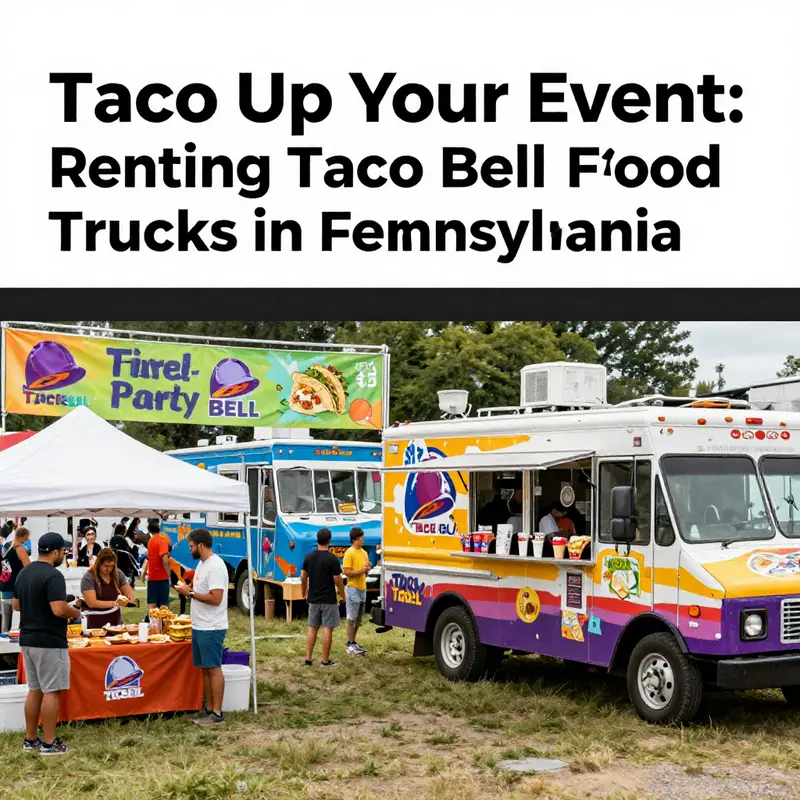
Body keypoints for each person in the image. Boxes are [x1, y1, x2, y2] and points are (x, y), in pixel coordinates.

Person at [13, 532, 81, 755]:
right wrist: (75, 612)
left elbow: (16, 605)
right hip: (50, 640)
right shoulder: (54, 575)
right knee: (52, 691)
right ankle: (50, 744)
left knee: (35, 690)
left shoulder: (24, 572)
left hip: (27, 639)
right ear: (55, 551)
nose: (63, 555)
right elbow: (59, 609)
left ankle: (30, 740)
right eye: (63, 551)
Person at [174, 529, 228, 726]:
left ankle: (217, 713)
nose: (190, 550)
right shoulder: (202, 564)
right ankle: (208, 708)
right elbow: (201, 591)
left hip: (212, 626)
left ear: (201, 545)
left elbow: (216, 598)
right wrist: (188, 589)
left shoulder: (216, 566)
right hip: (200, 625)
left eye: (191, 546)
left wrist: (189, 593)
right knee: (205, 669)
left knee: (213, 668)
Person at [301, 528, 345, 668]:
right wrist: (342, 594)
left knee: (312, 628)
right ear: (329, 541)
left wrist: (304, 592)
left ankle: (308, 658)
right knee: (327, 629)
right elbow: (338, 580)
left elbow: (303, 576)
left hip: (313, 598)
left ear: (317, 540)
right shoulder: (332, 558)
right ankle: (325, 661)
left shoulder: (309, 557)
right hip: (328, 599)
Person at [80, 548, 138, 628]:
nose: (109, 569)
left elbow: (130, 597)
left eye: (112, 566)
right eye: (106, 566)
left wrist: (128, 601)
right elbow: (92, 603)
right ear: (99, 563)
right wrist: (114, 603)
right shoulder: (88, 577)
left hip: (115, 622)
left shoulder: (118, 574)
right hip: (94, 623)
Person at [342, 527, 371, 655]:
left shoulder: (364, 553)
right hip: (352, 588)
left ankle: (353, 641)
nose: (363, 540)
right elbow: (347, 572)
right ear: (354, 540)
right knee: (351, 618)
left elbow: (365, 570)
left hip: (363, 587)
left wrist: (367, 568)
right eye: (361, 539)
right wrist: (361, 570)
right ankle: (349, 643)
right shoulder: (349, 553)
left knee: (358, 618)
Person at [1, 526, 31, 632]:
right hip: (15, 586)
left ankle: (3, 639)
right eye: (27, 537)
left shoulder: (9, 547)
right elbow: (29, 567)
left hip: (5, 585)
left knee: (6, 621)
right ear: (24, 536)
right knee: (16, 621)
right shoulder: (20, 549)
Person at [145, 520, 172, 609]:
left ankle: (151, 618)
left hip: (152, 576)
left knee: (152, 603)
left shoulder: (150, 541)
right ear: (159, 529)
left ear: (149, 530)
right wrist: (169, 575)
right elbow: (164, 560)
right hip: (162, 577)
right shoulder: (162, 541)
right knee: (163, 605)